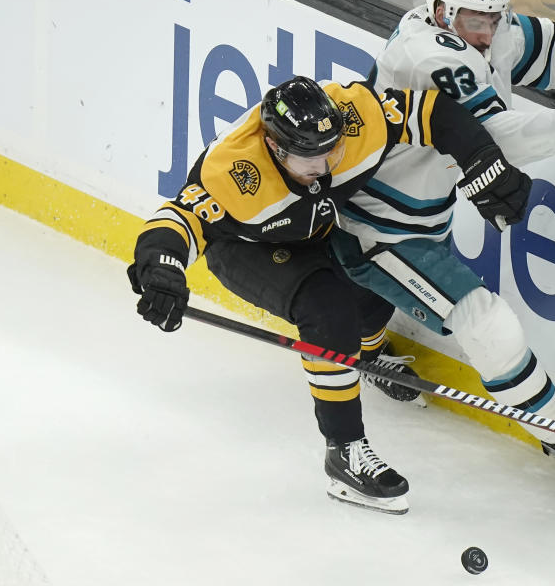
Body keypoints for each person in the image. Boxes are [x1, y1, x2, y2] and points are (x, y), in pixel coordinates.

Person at [126, 75, 532, 515]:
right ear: (277, 149)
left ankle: (369, 353)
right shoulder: (234, 173)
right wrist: (161, 268)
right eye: (310, 159)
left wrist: (483, 162)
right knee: (326, 308)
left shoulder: (352, 115)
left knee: (377, 272)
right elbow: (177, 219)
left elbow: (432, 112)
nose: (325, 166)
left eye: (331, 151)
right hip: (246, 248)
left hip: (313, 228)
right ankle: (345, 452)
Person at [332, 0, 555, 489]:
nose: (488, 33)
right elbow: (488, 143)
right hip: (378, 226)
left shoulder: (478, 26)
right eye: (477, 22)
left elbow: (551, 57)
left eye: (494, 20)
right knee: (485, 322)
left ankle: (363, 349)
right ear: (439, 11)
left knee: (375, 301)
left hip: (418, 212)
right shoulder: (427, 52)